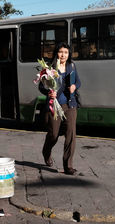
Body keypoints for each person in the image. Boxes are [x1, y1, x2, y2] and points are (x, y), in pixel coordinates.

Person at [39, 42, 81, 175]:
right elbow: (41, 86)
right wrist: (49, 93)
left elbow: (78, 81)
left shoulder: (72, 66)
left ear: (69, 54)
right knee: (54, 134)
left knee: (70, 134)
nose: (63, 54)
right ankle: (46, 151)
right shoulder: (49, 68)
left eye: (66, 52)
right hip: (54, 105)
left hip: (70, 104)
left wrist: (75, 86)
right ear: (57, 53)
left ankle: (68, 165)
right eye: (61, 52)